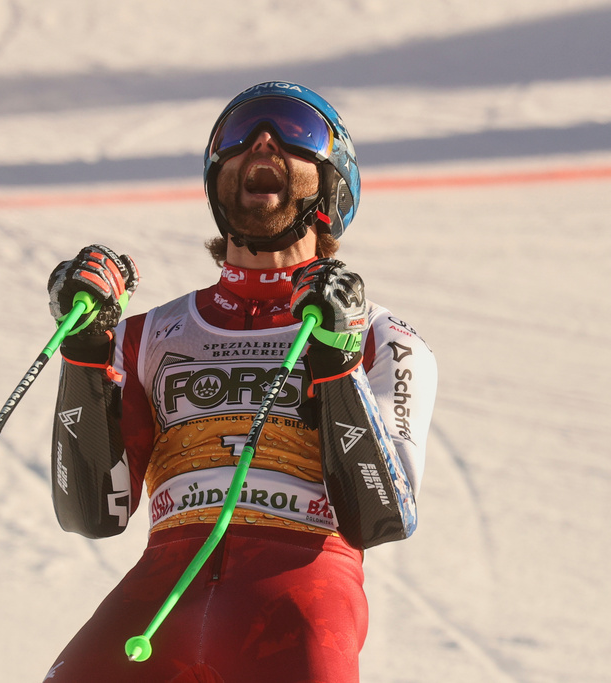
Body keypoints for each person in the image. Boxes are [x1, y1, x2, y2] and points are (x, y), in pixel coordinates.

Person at [42, 81, 437, 683]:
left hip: (299, 602)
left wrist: (337, 363)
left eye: (296, 131)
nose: (262, 141)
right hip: (160, 602)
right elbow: (92, 513)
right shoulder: (148, 334)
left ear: (335, 182)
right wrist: (85, 349)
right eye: (237, 134)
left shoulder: (385, 337)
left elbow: (382, 517)